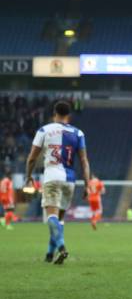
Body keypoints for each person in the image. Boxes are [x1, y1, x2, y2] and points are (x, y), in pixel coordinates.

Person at [25, 100, 91, 264]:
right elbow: (84, 161)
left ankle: (61, 247)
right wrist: (87, 184)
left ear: (54, 113)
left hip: (52, 177)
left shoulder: (44, 130)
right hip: (69, 180)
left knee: (51, 217)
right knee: (59, 220)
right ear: (68, 115)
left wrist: (29, 176)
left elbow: (32, 158)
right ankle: (49, 254)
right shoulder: (78, 133)